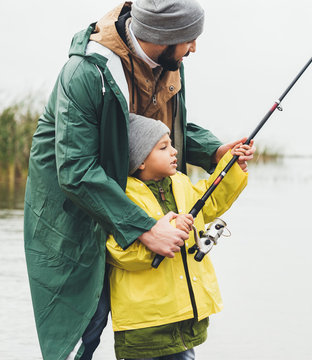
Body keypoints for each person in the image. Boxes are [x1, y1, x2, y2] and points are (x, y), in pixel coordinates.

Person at [24, 1, 255, 359]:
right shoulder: (85, 73)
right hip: (76, 220)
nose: (194, 48)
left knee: (159, 334)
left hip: (139, 212)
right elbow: (75, 169)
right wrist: (146, 228)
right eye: (189, 39)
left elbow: (161, 133)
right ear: (162, 37)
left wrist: (215, 152)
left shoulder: (169, 64)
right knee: (82, 330)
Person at [106, 114, 250, 359]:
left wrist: (232, 168)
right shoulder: (124, 197)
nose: (174, 152)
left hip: (181, 319)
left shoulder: (180, 183)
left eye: (171, 144)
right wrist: (165, 236)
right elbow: (119, 251)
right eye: (163, 147)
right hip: (144, 326)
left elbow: (210, 200)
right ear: (140, 161)